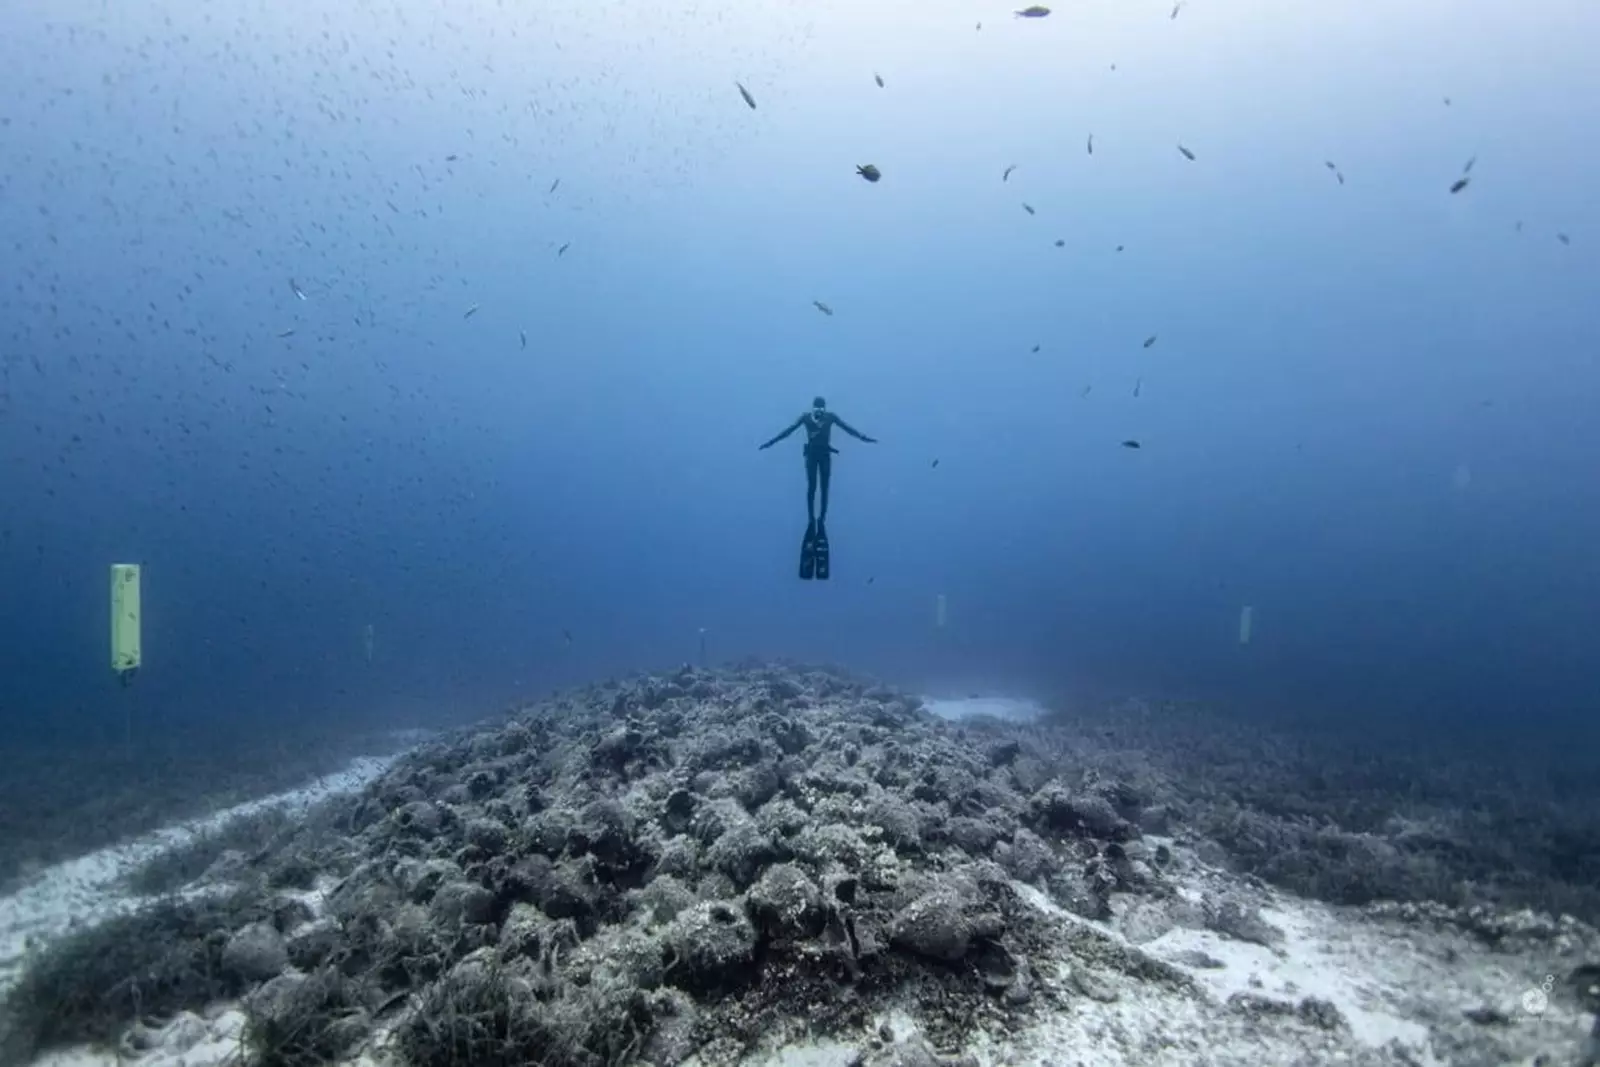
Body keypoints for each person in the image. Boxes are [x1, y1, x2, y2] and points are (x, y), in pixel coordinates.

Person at [758, 396, 876, 524]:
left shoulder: (830, 417)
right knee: (812, 486)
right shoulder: (806, 418)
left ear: (824, 409)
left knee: (825, 487)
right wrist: (771, 442)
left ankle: (822, 519)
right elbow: (789, 431)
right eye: (817, 408)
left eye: (821, 408)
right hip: (812, 456)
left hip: (824, 455)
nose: (819, 411)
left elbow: (847, 428)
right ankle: (811, 518)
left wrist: (863, 437)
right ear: (813, 408)